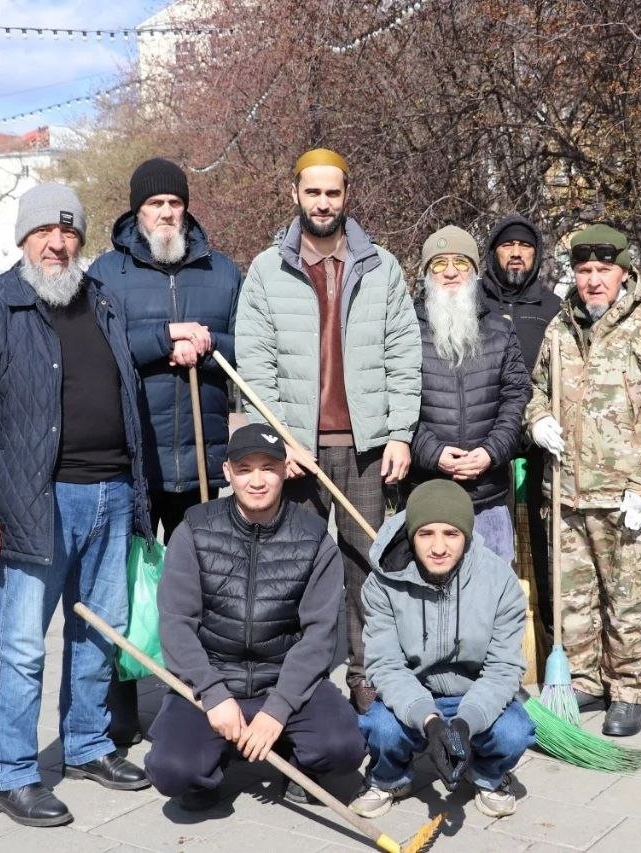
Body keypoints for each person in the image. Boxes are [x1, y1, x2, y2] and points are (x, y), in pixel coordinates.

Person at [0, 183, 153, 828]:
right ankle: (9, 774)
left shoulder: (102, 302)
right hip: (35, 503)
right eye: (44, 235)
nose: (57, 246)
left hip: (112, 494)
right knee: (21, 645)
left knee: (97, 635)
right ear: (24, 239)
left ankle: (87, 746)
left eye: (69, 235)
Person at [235, 148, 422, 713]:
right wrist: (279, 439)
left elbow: (402, 353)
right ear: (295, 194)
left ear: (347, 196)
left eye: (332, 193)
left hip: (365, 450)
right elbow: (255, 361)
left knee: (366, 564)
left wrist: (399, 433)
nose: (323, 203)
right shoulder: (268, 270)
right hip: (298, 452)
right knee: (295, 568)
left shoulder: (380, 267)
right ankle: (300, 685)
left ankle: (365, 676)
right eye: (313, 192)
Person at [88, 156, 243, 746]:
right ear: (137, 210)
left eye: (174, 202)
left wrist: (207, 342)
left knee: (196, 585)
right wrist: (163, 340)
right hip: (133, 456)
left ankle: (191, 696)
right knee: (123, 581)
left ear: (185, 207)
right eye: (155, 204)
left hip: (203, 459)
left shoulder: (222, 271)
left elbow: (250, 346)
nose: (166, 212)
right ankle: (119, 700)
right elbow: (98, 348)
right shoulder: (106, 273)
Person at [525, 224, 641, 737]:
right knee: (574, 599)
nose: (593, 280)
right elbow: (537, 389)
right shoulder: (560, 328)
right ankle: (584, 678)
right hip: (570, 492)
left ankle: (628, 688)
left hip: (627, 499)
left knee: (629, 601)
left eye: (603, 270)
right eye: (584, 270)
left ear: (625, 272)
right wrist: (537, 421)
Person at [142, 424, 365, 809]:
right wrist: (212, 695)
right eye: (245, 469)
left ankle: (296, 760)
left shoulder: (314, 538)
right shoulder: (194, 528)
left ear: (284, 470)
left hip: (284, 681)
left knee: (345, 747)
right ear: (227, 472)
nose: (257, 480)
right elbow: (176, 623)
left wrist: (277, 709)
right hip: (213, 680)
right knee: (171, 770)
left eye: (268, 467)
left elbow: (319, 636)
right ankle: (209, 769)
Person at [351, 480, 533, 819]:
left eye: (451, 533)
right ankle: (389, 778)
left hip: (475, 693)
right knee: (381, 727)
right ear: (410, 536)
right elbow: (385, 664)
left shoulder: (499, 581)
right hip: (413, 693)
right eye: (425, 534)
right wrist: (429, 720)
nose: (438, 547)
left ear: (466, 534)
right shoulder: (382, 583)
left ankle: (489, 775)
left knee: (514, 731)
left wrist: (466, 721)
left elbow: (504, 668)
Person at [407, 225, 531, 560]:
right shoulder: (405, 330)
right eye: (439, 264)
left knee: (493, 598)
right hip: (429, 495)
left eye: (460, 263)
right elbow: (397, 403)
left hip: (488, 494)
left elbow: (516, 398)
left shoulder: (500, 330)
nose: (449, 272)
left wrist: (491, 452)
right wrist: (432, 453)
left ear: (475, 272)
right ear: (426, 273)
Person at [478, 214, 562, 634]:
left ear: (536, 254)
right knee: (492, 537)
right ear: (494, 253)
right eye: (507, 245)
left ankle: (548, 631)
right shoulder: (476, 302)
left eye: (525, 246)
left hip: (539, 444)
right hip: (487, 440)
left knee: (542, 541)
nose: (516, 253)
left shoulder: (552, 308)